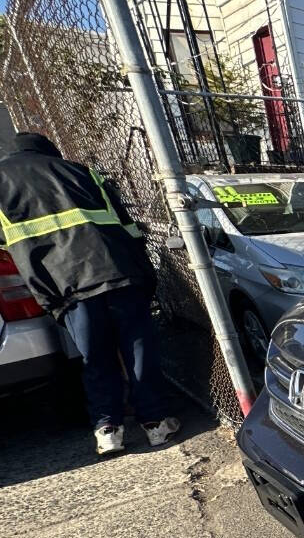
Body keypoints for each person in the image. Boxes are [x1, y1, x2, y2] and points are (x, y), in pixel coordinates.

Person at [0, 132, 179, 455]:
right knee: (138, 349)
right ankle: (155, 423)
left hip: (65, 285)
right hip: (118, 272)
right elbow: (127, 227)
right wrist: (143, 272)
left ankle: (107, 429)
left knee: (95, 357)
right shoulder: (81, 172)